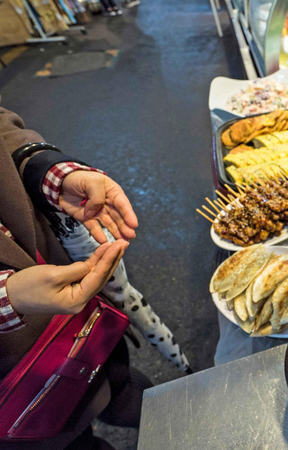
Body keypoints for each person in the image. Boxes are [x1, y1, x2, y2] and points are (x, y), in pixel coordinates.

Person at [0, 106, 148, 449]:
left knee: (122, 389)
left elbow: (4, 133)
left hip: (85, 332)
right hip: (17, 392)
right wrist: (10, 298)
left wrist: (52, 173)